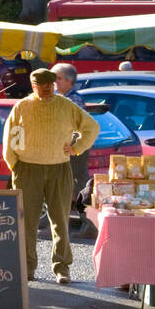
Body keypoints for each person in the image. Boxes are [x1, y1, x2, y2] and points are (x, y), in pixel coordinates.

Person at [2, 68, 100, 285]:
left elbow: (91, 127)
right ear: (33, 86)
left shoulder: (66, 105)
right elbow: (10, 138)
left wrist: (77, 148)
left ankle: (62, 267)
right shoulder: (22, 106)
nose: (46, 89)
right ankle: (27, 267)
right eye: (41, 85)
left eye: (50, 85)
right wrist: (15, 165)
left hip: (59, 168)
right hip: (27, 169)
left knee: (60, 219)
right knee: (27, 221)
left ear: (54, 85)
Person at [51, 62, 92, 218]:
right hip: (74, 147)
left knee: (60, 184)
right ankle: (88, 221)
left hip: (73, 148)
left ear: (69, 81)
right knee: (79, 184)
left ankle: (54, 219)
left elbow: (74, 128)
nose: (55, 82)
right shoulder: (64, 98)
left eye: (58, 79)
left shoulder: (72, 100)